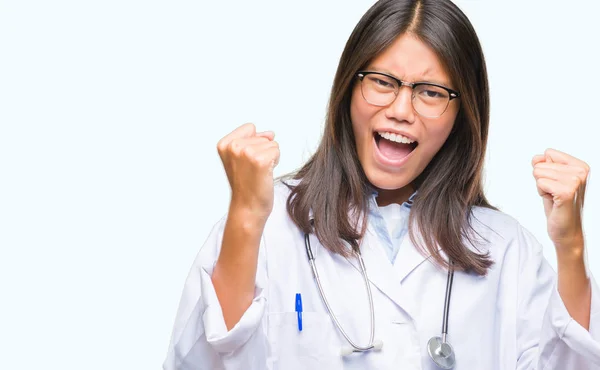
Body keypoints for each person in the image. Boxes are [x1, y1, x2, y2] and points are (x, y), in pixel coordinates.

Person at [163, 0, 599, 368]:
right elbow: (201, 360)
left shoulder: (507, 249)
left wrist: (571, 246)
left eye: (430, 92)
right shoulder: (266, 222)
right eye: (382, 82)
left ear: (461, 115)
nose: (400, 110)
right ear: (348, 88)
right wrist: (244, 219)